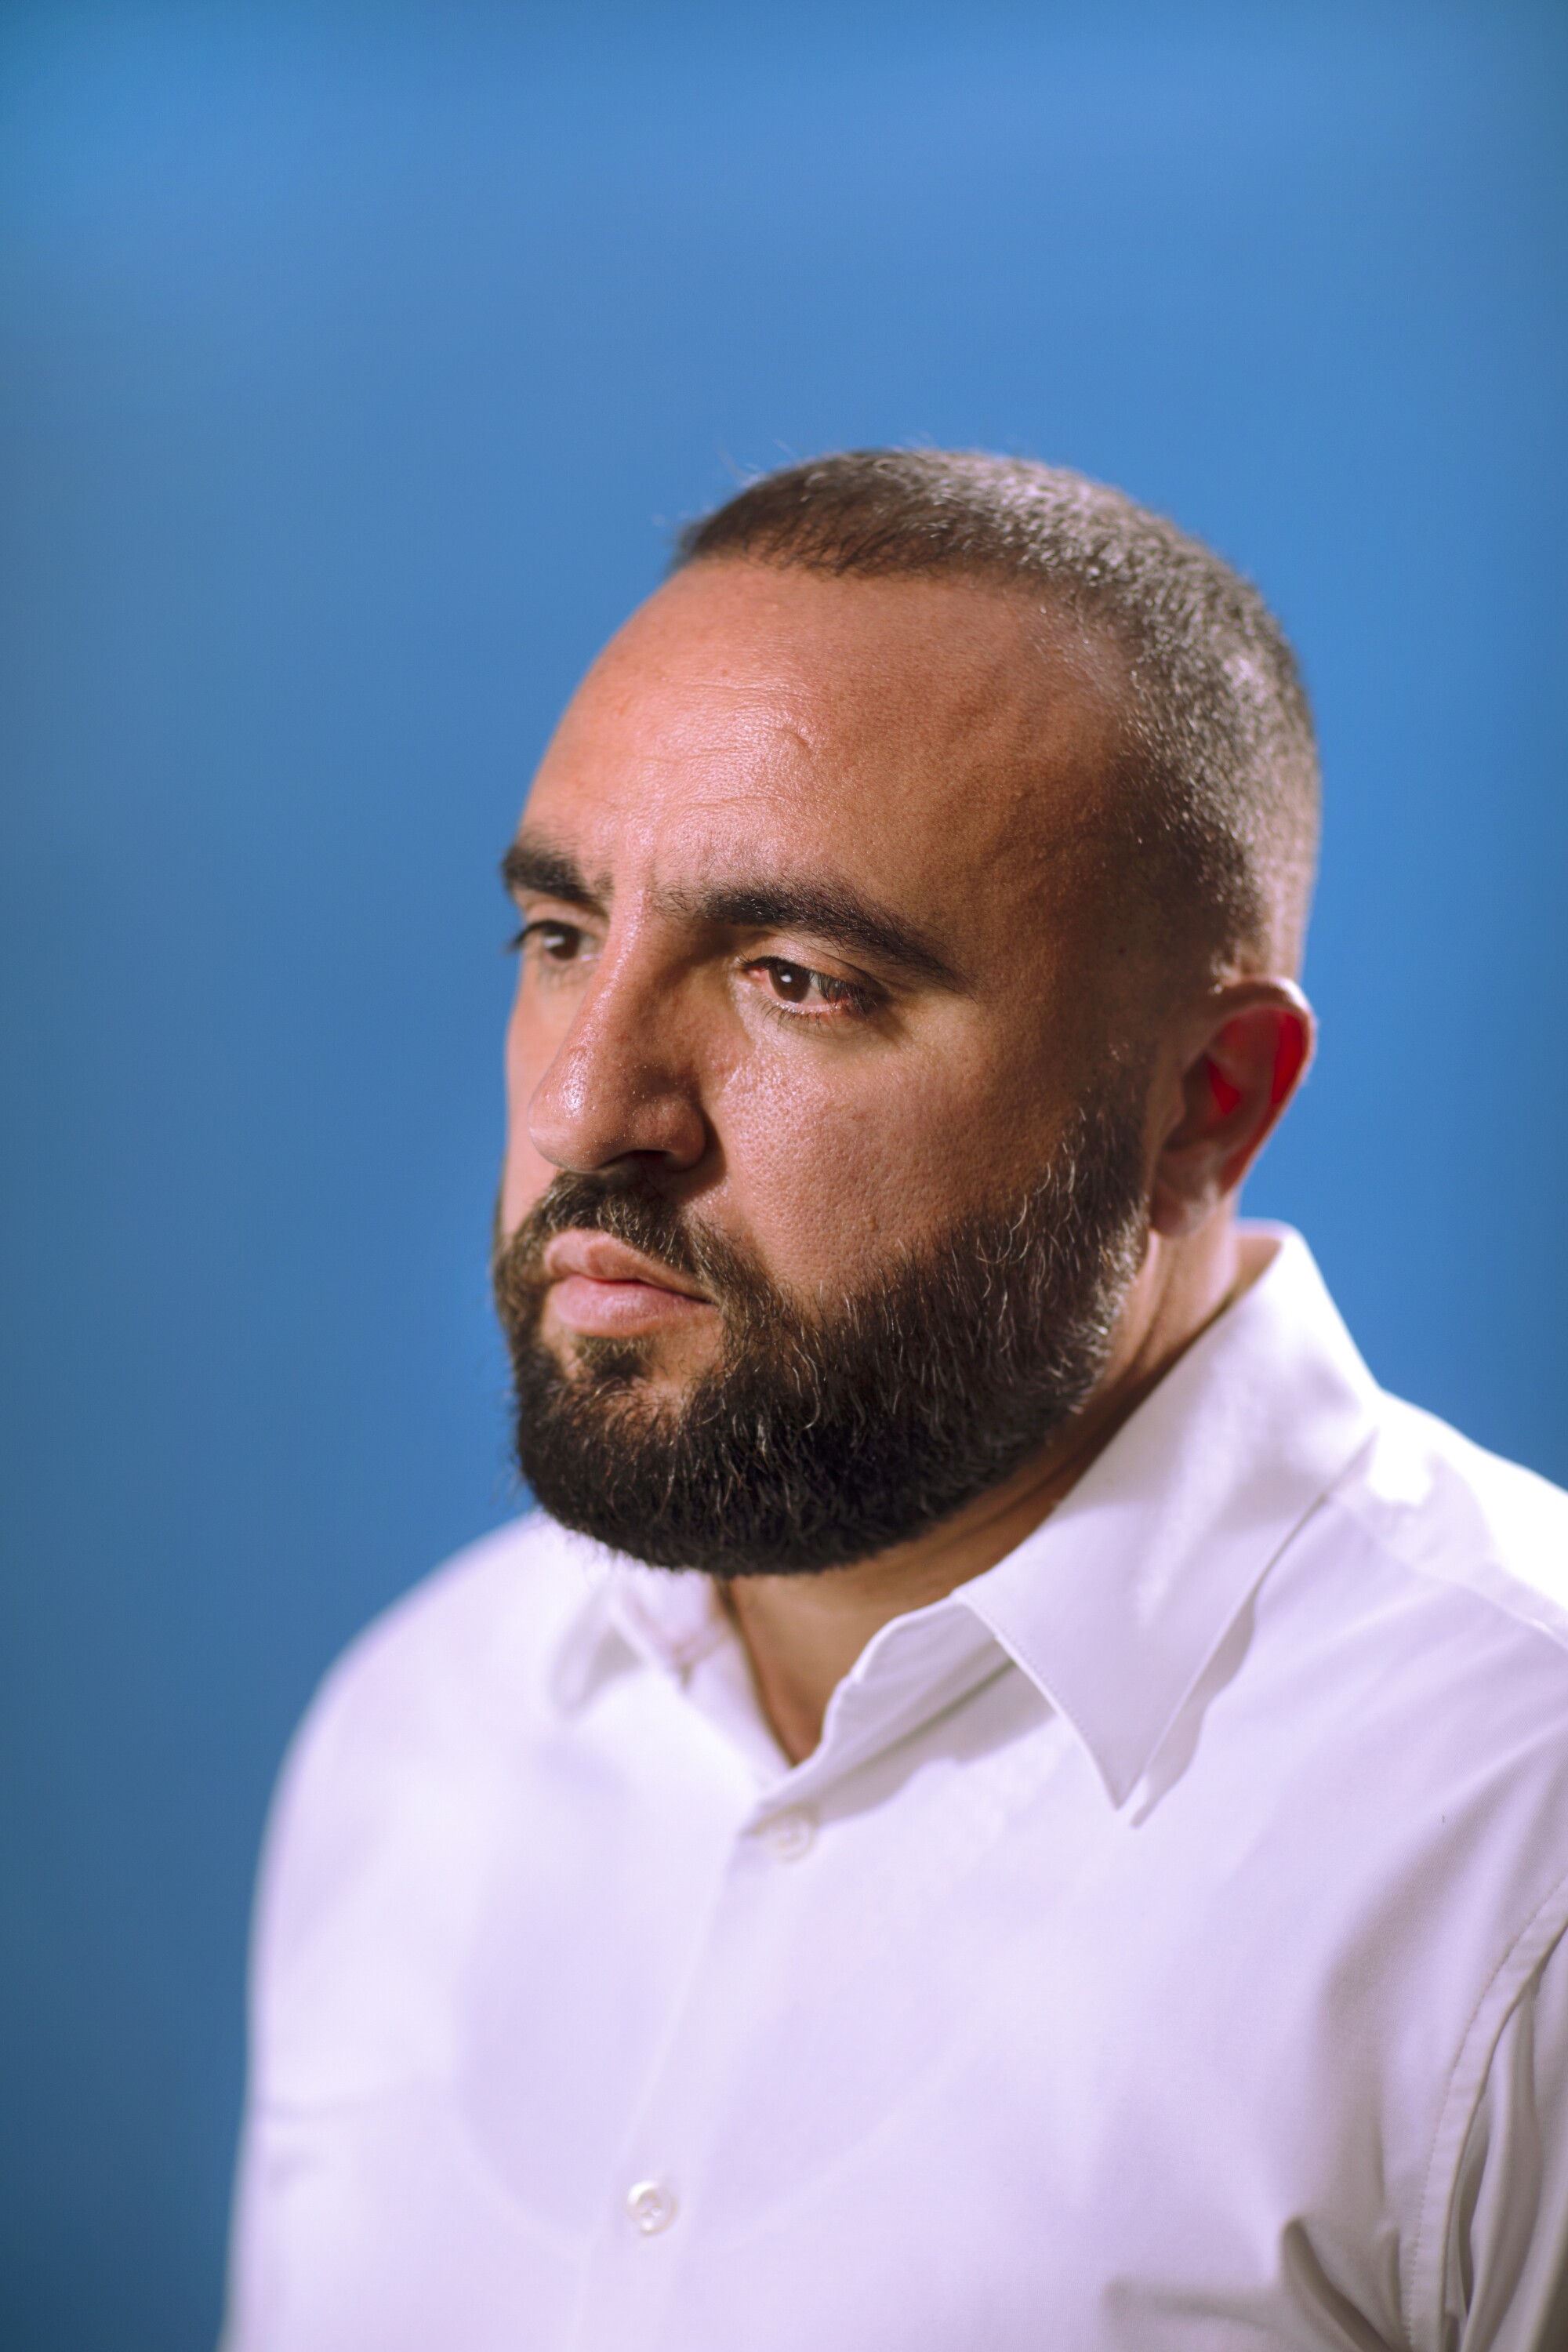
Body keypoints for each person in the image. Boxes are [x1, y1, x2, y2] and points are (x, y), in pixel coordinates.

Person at [222, 452, 1568, 2350]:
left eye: (797, 979)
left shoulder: (1521, 1845)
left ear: (1211, 1100)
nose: (586, 1110)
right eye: (559, 937)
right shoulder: (417, 1739)